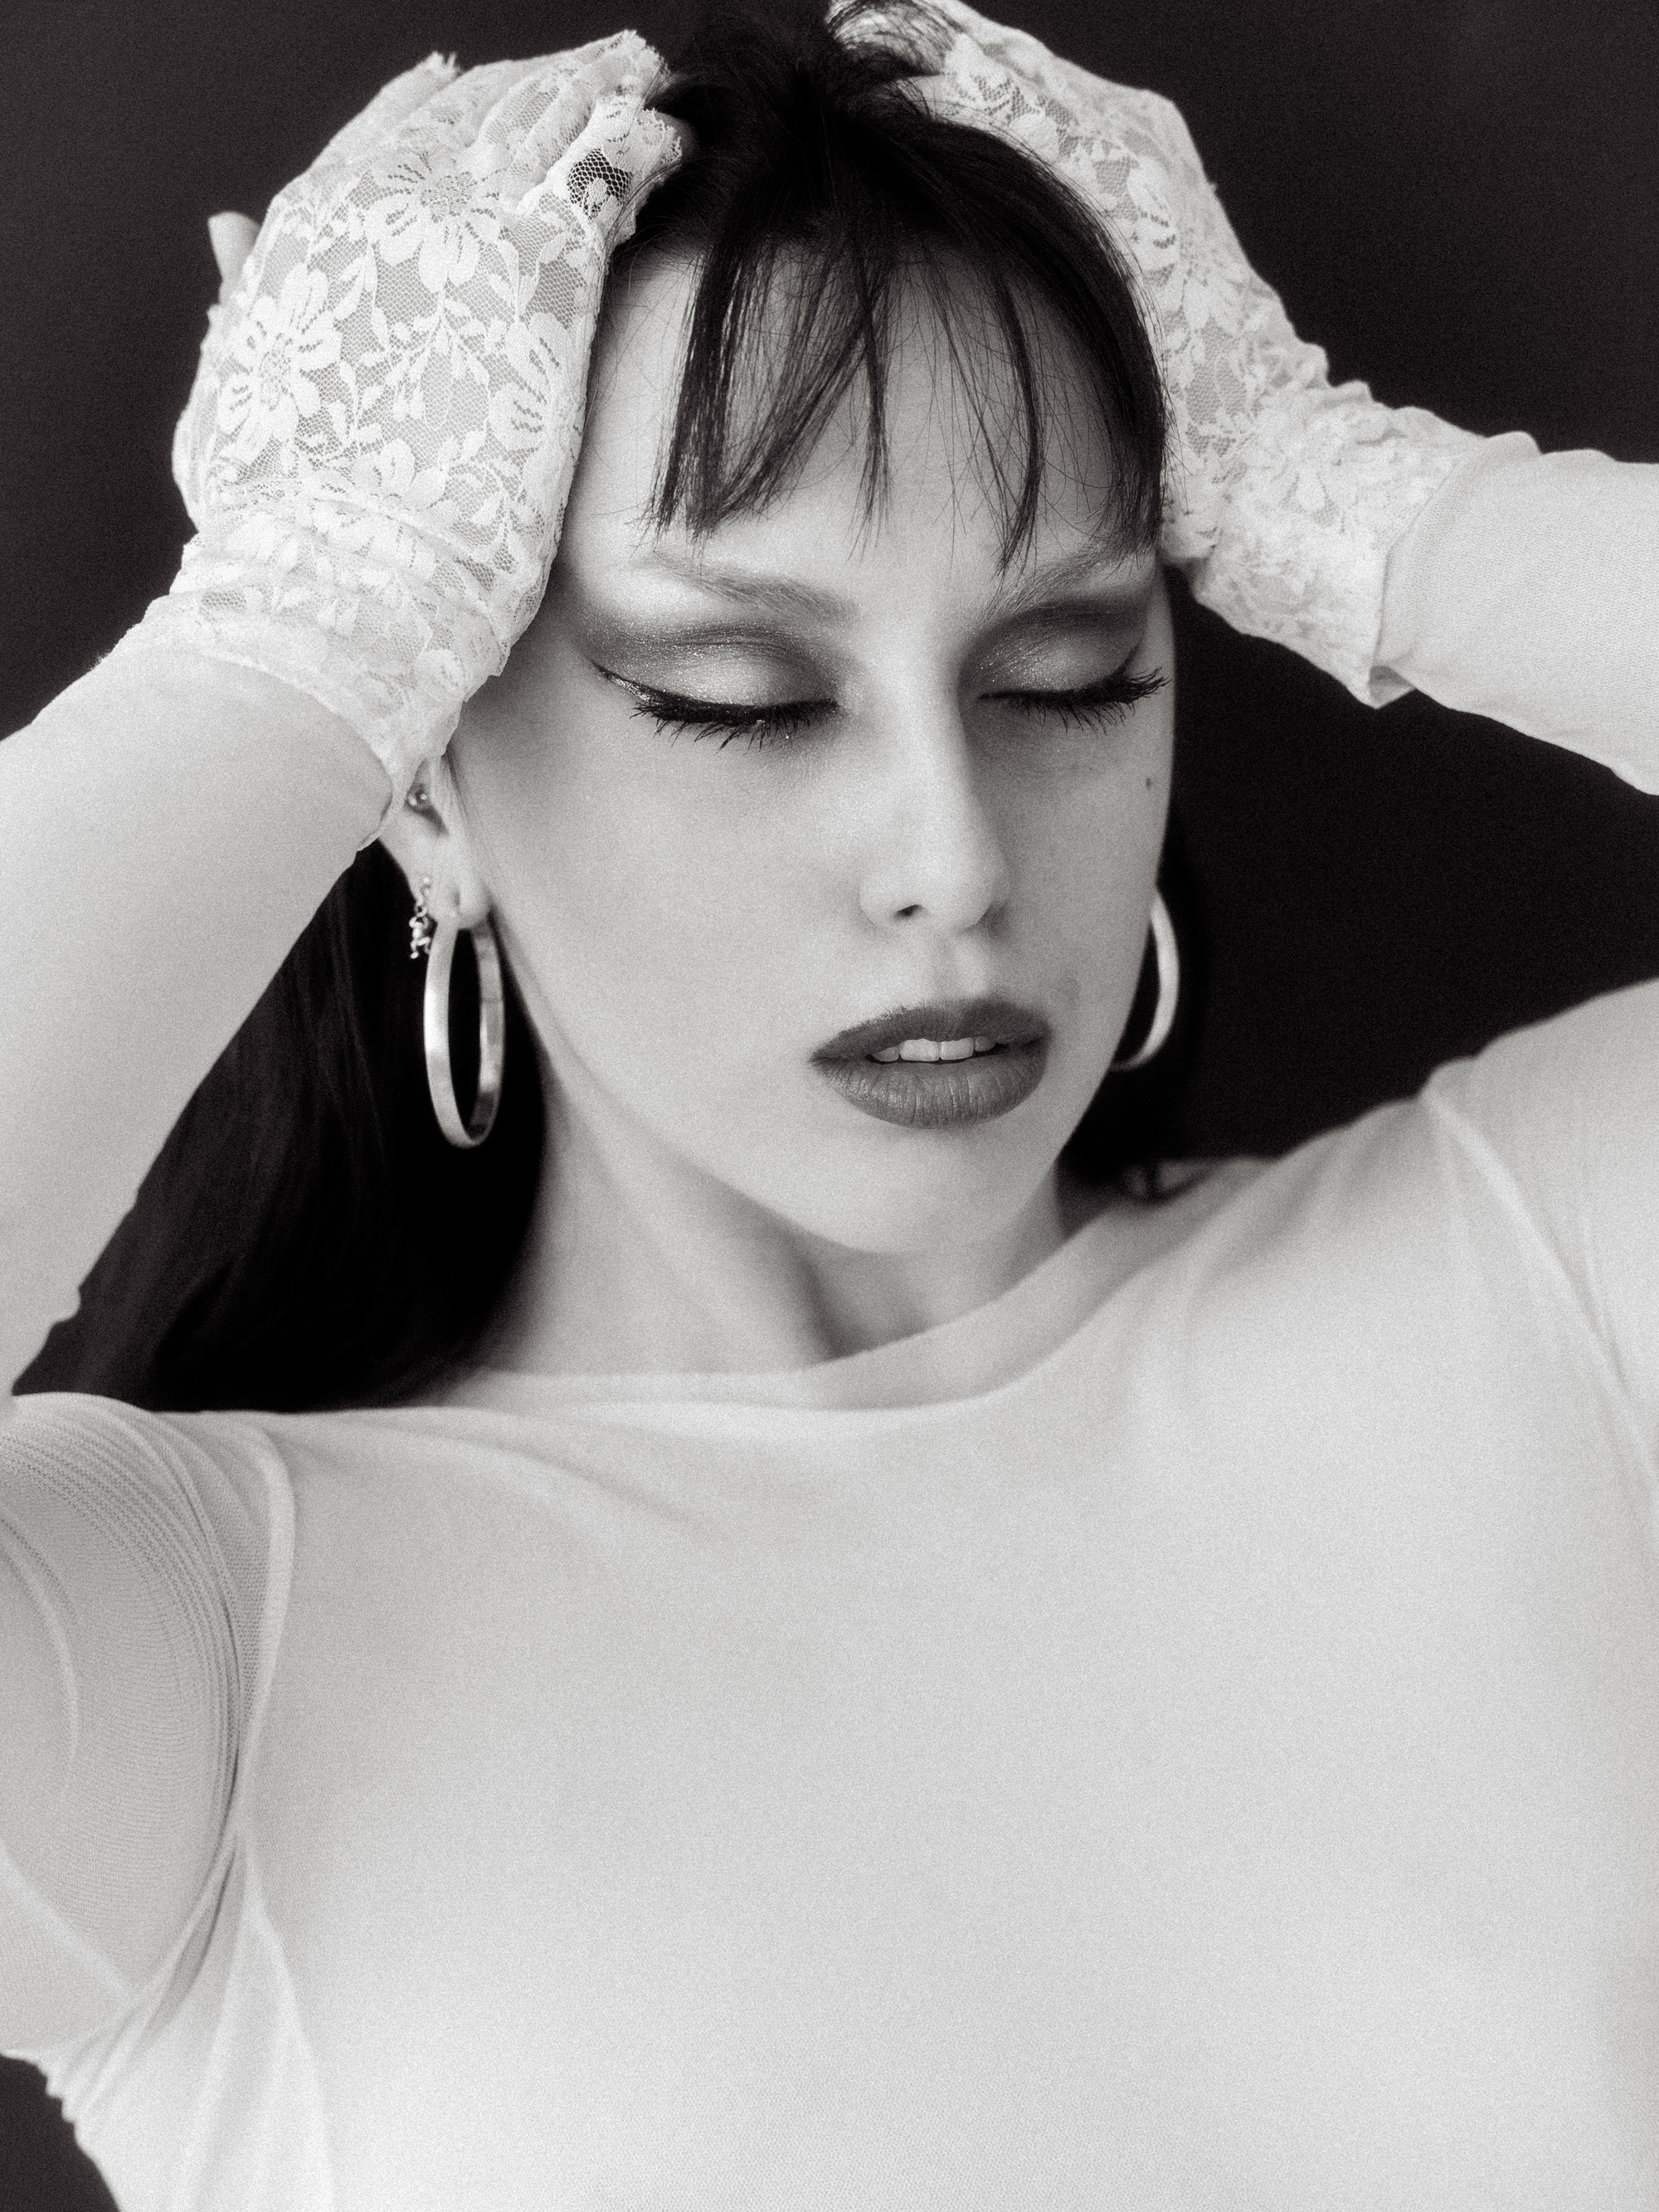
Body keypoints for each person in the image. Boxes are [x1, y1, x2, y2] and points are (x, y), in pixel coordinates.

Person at [2, 1, 1656, 2203]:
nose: (953, 857)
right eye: (743, 697)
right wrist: (298, 625)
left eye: (1068, 671)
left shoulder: (1542, 1282)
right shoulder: (198, 1651)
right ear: (425, 778)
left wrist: (1349, 497)